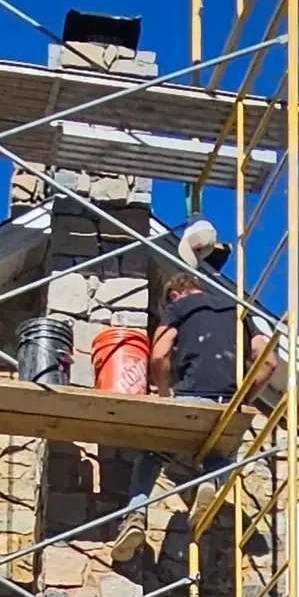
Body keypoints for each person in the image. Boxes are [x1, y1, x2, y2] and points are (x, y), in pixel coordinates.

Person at [109, 220, 271, 566]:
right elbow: (268, 360)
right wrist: (245, 400)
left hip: (189, 400)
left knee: (152, 455)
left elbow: (158, 354)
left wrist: (164, 393)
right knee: (221, 451)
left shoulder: (179, 307)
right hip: (227, 405)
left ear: (174, 295)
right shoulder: (238, 311)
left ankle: (135, 515)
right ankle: (210, 483)